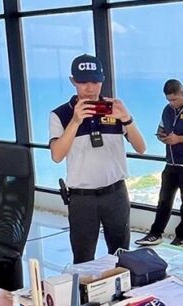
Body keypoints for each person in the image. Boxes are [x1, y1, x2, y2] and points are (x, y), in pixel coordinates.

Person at [50, 54, 146, 263]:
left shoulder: (114, 109)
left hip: (116, 194)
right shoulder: (61, 115)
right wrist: (75, 122)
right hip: (82, 198)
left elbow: (141, 147)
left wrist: (127, 119)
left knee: (121, 255)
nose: (90, 88)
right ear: (73, 81)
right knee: (83, 258)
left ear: (102, 80)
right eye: (83, 82)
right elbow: (56, 155)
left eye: (95, 82)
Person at [135, 79, 183, 247]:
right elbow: (161, 129)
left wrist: (179, 139)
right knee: (164, 200)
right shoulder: (167, 110)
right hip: (171, 162)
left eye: (175, 99)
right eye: (169, 100)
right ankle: (156, 233)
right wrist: (162, 137)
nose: (172, 103)